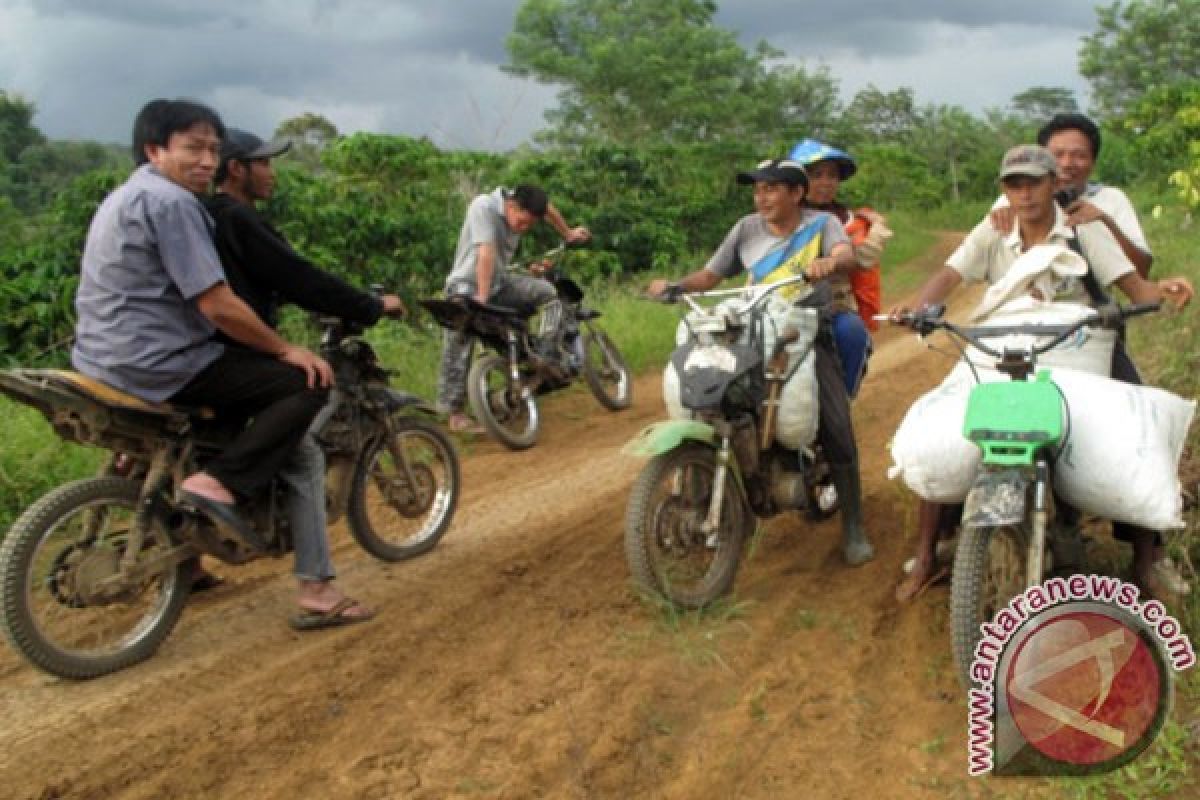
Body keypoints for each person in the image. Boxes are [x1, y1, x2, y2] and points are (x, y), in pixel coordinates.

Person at [72, 99, 342, 623]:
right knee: (304, 383)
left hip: (101, 360)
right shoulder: (174, 203)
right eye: (192, 148)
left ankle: (189, 566)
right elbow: (215, 303)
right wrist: (287, 348)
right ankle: (221, 486)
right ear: (155, 149)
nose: (205, 161)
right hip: (159, 363)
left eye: (213, 150)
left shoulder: (125, 195)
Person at [891, 144, 1193, 603]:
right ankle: (927, 555)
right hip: (1005, 341)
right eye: (1015, 183)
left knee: (1130, 433)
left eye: (1034, 182)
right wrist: (917, 309)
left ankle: (1148, 558)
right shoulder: (992, 231)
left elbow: (1135, 287)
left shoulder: (1083, 232)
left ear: (1055, 183)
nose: (1025, 192)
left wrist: (1163, 289)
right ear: (1003, 190)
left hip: (1072, 345)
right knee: (949, 426)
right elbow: (948, 276)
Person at [200, 127, 408, 628]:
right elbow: (300, 276)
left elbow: (272, 281)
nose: (272, 172)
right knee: (304, 452)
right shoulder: (239, 218)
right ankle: (316, 588)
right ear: (237, 169)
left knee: (204, 442)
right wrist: (370, 305)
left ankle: (187, 565)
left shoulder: (201, 217)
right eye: (264, 163)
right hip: (230, 358)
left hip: (184, 356)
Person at [646, 158, 875, 566]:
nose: (761, 197)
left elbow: (844, 255)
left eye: (770, 189)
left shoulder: (822, 225)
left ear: (796, 193)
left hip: (806, 327)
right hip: (754, 326)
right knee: (716, 394)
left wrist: (829, 262)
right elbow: (710, 276)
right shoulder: (746, 228)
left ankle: (854, 527)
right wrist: (676, 287)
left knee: (835, 422)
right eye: (757, 189)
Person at [436, 184, 590, 433]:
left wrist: (567, 232)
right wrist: (481, 299)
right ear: (510, 206)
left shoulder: (523, 201)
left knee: (549, 294)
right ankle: (454, 414)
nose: (523, 228)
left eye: (529, 224)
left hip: (499, 283)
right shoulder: (483, 207)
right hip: (466, 286)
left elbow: (547, 208)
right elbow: (486, 252)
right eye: (521, 222)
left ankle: (544, 354)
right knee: (459, 340)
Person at [789, 138, 893, 396]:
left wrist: (876, 228)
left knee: (852, 332)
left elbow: (862, 259)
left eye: (832, 176)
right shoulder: (782, 217)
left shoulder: (847, 221)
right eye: (816, 175)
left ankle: (844, 398)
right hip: (783, 301)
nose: (826, 183)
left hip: (833, 305)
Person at [991, 113, 1152, 278]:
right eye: (1057, 155)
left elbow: (1142, 270)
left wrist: (1106, 223)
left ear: (1093, 162)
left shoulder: (1111, 199)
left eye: (1079, 156)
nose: (1067, 164)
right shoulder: (1014, 201)